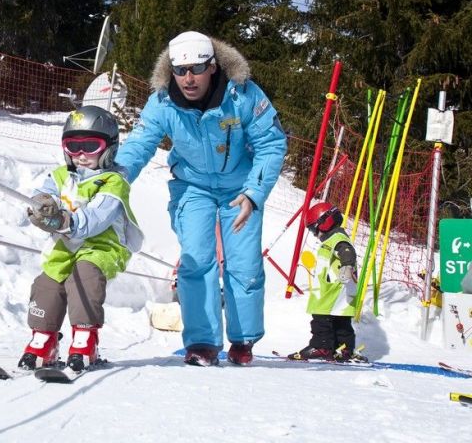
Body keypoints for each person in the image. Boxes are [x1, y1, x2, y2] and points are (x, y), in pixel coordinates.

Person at [114, 31, 287, 366]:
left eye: (196, 69)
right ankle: (203, 343)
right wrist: (117, 177)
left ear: (212, 67)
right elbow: (141, 141)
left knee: (243, 263)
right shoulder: (163, 101)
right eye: (181, 71)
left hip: (240, 190)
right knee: (195, 258)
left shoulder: (243, 94)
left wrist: (254, 193)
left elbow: (271, 143)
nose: (188, 79)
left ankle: (243, 338)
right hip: (192, 187)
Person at [19, 105, 143, 372]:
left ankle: (86, 339)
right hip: (67, 245)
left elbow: (98, 217)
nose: (81, 155)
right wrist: (42, 208)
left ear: (109, 148)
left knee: (84, 276)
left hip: (104, 246)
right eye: (73, 147)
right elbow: (44, 194)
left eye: (90, 146)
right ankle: (44, 339)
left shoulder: (113, 181)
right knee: (47, 282)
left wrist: (66, 220)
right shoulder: (61, 176)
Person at [287, 202, 366, 362]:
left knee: (321, 319)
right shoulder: (334, 239)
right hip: (341, 290)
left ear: (323, 223)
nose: (314, 234)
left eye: (312, 229)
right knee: (341, 323)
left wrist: (347, 266)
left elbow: (347, 251)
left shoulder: (337, 239)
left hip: (331, 291)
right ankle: (343, 350)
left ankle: (321, 346)